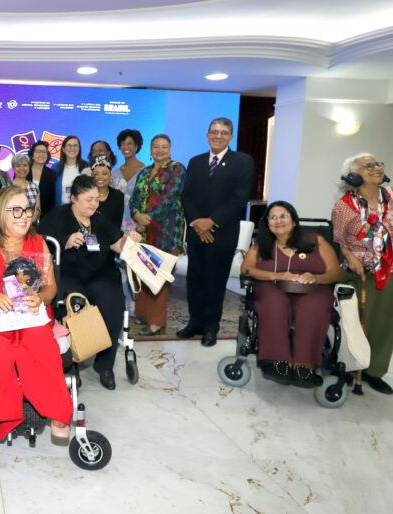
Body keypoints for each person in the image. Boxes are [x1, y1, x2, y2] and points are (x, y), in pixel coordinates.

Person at [0, 185, 73, 440]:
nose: (25, 215)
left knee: (41, 348)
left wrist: (40, 298)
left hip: (32, 312)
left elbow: (50, 286)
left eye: (27, 209)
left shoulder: (38, 243)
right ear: (0, 213)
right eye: (16, 210)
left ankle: (57, 410)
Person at [331, 153, 393, 394]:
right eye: (367, 166)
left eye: (377, 164)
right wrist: (350, 256)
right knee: (354, 324)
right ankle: (347, 368)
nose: (375, 168)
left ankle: (374, 372)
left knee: (385, 324)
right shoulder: (344, 205)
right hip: (361, 273)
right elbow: (339, 241)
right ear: (353, 175)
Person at [38, 175, 141, 390]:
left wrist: (130, 239)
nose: (94, 204)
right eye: (88, 199)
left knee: (113, 309)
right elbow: (40, 249)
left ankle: (104, 366)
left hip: (100, 275)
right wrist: (64, 242)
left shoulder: (99, 220)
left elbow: (117, 244)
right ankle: (71, 365)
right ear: (74, 198)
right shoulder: (56, 218)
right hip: (69, 275)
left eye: (96, 199)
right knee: (72, 311)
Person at [241, 201, 342, 386]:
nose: (278, 220)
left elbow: (335, 272)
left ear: (294, 221)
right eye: (273, 217)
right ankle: (279, 362)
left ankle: (305, 365)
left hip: (314, 288)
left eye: (284, 216)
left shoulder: (316, 241)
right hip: (272, 285)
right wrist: (276, 275)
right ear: (268, 224)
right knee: (274, 302)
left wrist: (316, 278)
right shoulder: (261, 245)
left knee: (313, 306)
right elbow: (246, 269)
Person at [178, 117, 254, 347]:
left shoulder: (242, 161)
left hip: (221, 233)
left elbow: (240, 197)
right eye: (214, 132)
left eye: (223, 132)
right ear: (207, 135)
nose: (218, 136)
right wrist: (197, 223)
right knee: (195, 280)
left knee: (214, 281)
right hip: (196, 232)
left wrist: (211, 222)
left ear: (231, 136)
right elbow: (186, 196)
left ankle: (211, 327)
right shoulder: (195, 161)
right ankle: (195, 322)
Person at [129, 134, 186, 336]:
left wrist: (147, 219)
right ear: (150, 150)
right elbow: (134, 199)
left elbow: (170, 199)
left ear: (170, 150)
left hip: (166, 232)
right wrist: (136, 215)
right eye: (156, 147)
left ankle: (156, 322)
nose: (159, 150)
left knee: (160, 278)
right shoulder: (144, 172)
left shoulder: (176, 169)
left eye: (164, 147)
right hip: (143, 233)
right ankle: (143, 314)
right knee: (143, 274)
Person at [90, 156, 124, 229]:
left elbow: (117, 226)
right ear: (92, 175)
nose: (100, 177)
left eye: (104, 173)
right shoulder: (85, 195)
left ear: (110, 175)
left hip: (112, 239)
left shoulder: (118, 197)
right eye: (96, 174)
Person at [27, 140, 58, 217]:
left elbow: (53, 201)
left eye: (44, 152)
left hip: (46, 218)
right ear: (32, 155)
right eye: (38, 151)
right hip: (24, 216)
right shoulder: (23, 172)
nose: (41, 154)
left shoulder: (52, 174)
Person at [55, 136, 88, 206]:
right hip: (61, 210)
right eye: (69, 145)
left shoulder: (86, 167)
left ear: (79, 149)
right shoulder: (55, 168)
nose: (72, 148)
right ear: (63, 149)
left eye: (75, 145)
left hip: (81, 209)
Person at [10, 153, 41, 224]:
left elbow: (38, 209)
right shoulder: (7, 188)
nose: (22, 168)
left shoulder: (34, 186)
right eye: (18, 166)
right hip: (14, 226)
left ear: (29, 168)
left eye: (25, 165)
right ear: (13, 168)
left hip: (32, 226)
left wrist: (30, 221)